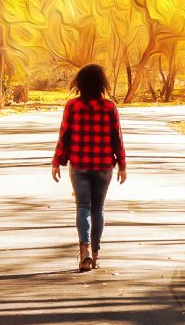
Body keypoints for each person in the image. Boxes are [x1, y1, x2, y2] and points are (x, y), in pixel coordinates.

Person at [50, 63, 127, 271]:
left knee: (83, 207)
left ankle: (84, 252)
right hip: (103, 166)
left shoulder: (73, 106)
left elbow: (64, 135)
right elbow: (117, 137)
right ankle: (96, 254)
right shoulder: (110, 107)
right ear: (102, 84)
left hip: (79, 164)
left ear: (80, 84)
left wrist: (56, 161)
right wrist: (122, 165)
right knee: (98, 210)